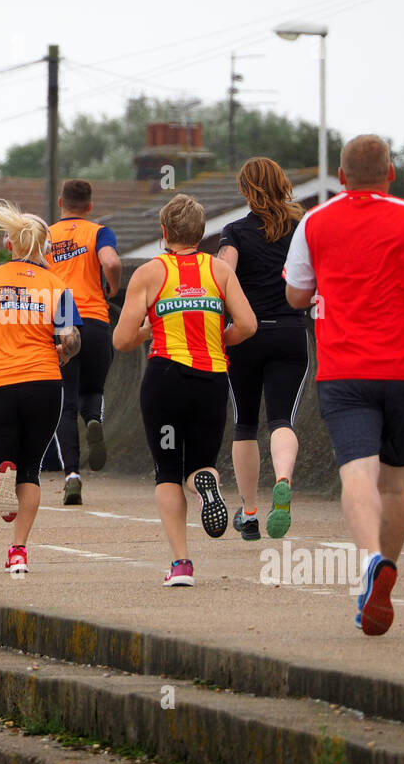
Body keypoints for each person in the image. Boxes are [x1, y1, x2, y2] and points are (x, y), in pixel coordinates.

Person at [284, 134, 404, 635]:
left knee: (357, 475)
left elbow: (295, 295)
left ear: (340, 177)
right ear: (391, 173)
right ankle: (382, 582)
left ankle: (369, 562)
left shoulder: (315, 221)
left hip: (345, 370)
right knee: (395, 484)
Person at [113, 194, 257, 587]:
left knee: (166, 472)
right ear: (201, 232)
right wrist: (218, 338)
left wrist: (146, 329)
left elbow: (122, 340)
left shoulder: (149, 273)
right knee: (200, 465)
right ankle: (206, 485)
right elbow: (248, 325)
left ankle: (181, 565)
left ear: (163, 233)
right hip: (211, 378)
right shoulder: (219, 270)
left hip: (165, 378)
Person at [0, 200, 81, 574]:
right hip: (43, 384)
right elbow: (71, 338)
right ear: (45, 249)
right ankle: (18, 553)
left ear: (9, 245)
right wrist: (64, 350)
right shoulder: (56, 285)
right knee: (31, 468)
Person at [217, 158, 309, 540]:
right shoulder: (302, 229)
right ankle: (283, 480)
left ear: (244, 189)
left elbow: (222, 276)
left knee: (245, 424)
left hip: (245, 335)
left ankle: (250, 512)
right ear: (283, 183)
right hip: (289, 332)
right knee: (282, 419)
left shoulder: (234, 232)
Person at [42, 179, 122, 505]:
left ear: (61, 202)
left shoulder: (45, 235)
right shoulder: (99, 231)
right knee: (93, 390)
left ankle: (72, 475)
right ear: (89, 206)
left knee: (65, 402)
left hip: (61, 323)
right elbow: (112, 262)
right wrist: (112, 288)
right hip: (95, 321)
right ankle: (94, 420)